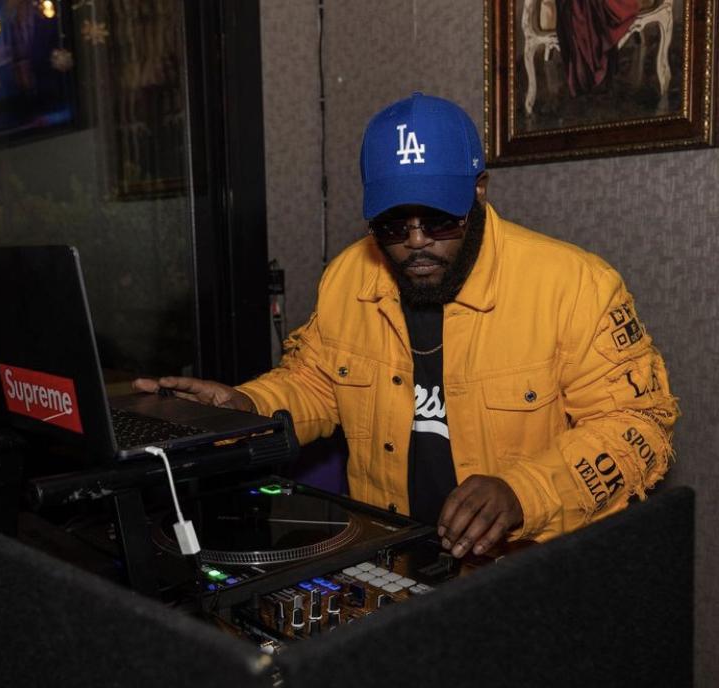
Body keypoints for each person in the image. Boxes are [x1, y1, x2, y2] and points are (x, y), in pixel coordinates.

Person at [135, 92, 678, 558]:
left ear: (479, 190)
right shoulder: (349, 277)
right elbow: (315, 384)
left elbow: (640, 426)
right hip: (386, 557)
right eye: (393, 225)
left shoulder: (575, 286)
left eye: (438, 220)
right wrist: (245, 406)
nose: (416, 242)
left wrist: (524, 493)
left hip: (522, 573)